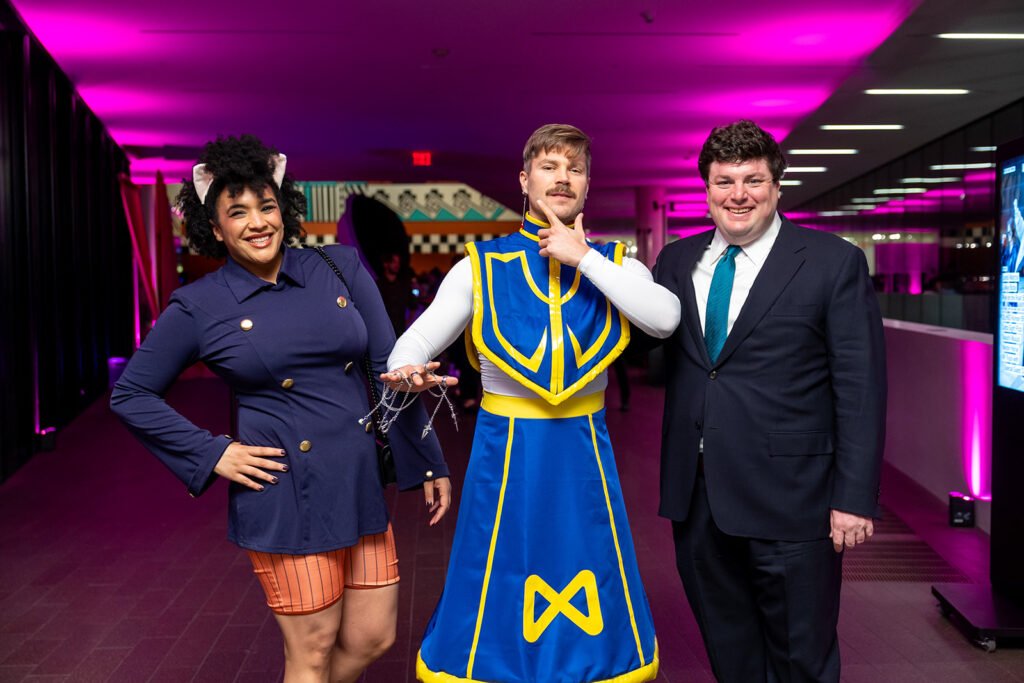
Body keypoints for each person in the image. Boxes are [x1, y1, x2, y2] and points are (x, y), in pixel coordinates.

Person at [110, 135, 453, 683]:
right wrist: (213, 453)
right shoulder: (200, 304)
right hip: (286, 491)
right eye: (237, 212)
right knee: (313, 649)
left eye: (266, 206)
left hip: (358, 478)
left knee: (373, 637)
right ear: (215, 228)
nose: (257, 222)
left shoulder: (337, 267)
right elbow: (131, 393)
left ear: (283, 208)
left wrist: (428, 458)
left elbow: (390, 364)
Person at [385, 124, 679, 683]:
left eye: (575, 168)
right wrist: (408, 373)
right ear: (525, 180)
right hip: (507, 452)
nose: (562, 177)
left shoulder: (616, 263)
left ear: (589, 186)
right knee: (497, 568)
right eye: (549, 166)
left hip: (583, 452)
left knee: (590, 556)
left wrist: (585, 258)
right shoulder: (480, 267)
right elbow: (414, 343)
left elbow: (665, 318)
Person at [652, 120, 887, 682]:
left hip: (795, 500)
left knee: (800, 659)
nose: (738, 194)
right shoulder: (677, 263)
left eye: (753, 180)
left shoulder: (832, 262)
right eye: (724, 181)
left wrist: (853, 498)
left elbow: (860, 388)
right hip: (699, 498)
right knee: (730, 656)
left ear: (777, 188)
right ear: (706, 190)